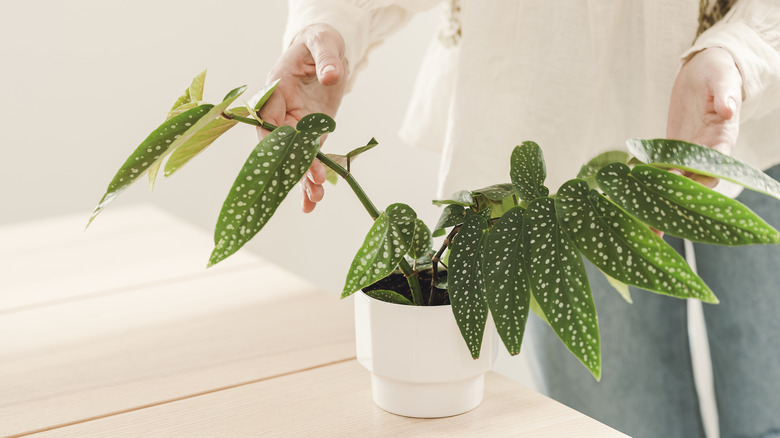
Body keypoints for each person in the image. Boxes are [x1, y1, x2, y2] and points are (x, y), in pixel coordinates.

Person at [260, 1, 780, 436]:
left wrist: (747, 48)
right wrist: (330, 25)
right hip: (557, 134)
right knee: (616, 422)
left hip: (750, 110)